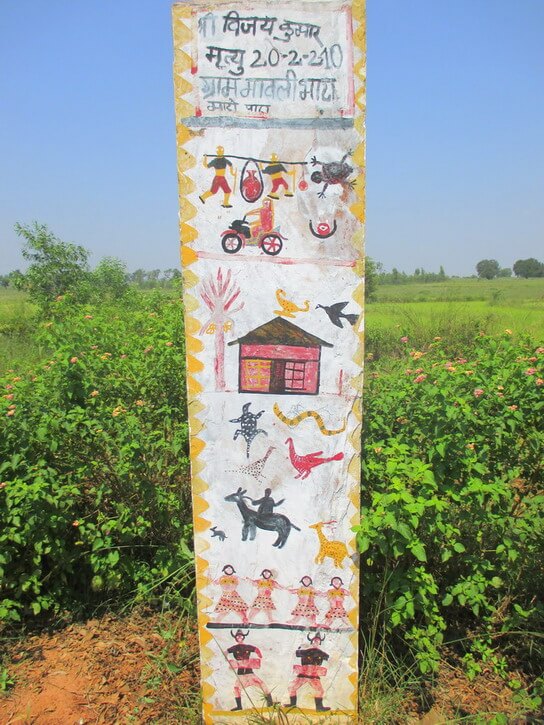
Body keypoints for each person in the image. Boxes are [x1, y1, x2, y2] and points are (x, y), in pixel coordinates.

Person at [227, 629, 273, 711]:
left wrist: (260, 655)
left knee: (262, 684)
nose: (239, 637)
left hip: (249, 672)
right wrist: (227, 659)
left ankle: (270, 703)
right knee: (236, 689)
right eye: (237, 636)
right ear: (236, 638)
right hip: (241, 674)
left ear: (243, 637)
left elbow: (256, 650)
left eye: (241, 635)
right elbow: (226, 652)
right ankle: (239, 706)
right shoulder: (234, 648)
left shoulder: (247, 646)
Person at [284, 632, 330, 712]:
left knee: (320, 691)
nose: (316, 642)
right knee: (292, 688)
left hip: (313, 675)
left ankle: (319, 708)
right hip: (303, 674)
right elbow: (296, 653)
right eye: (315, 640)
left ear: (320, 643)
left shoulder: (321, 653)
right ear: (311, 641)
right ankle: (293, 705)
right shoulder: (305, 651)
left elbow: (328, 658)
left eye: (318, 641)